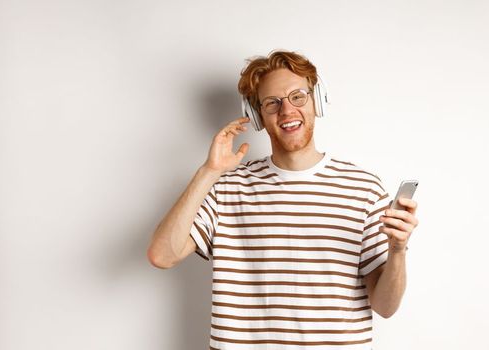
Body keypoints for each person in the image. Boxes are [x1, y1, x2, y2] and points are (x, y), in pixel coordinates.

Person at [147, 50, 419, 349]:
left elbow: (385, 307)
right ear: (257, 114)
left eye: (298, 96)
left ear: (317, 100)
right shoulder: (228, 187)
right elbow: (162, 256)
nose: (287, 111)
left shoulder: (363, 188)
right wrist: (208, 172)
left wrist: (398, 250)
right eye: (272, 102)